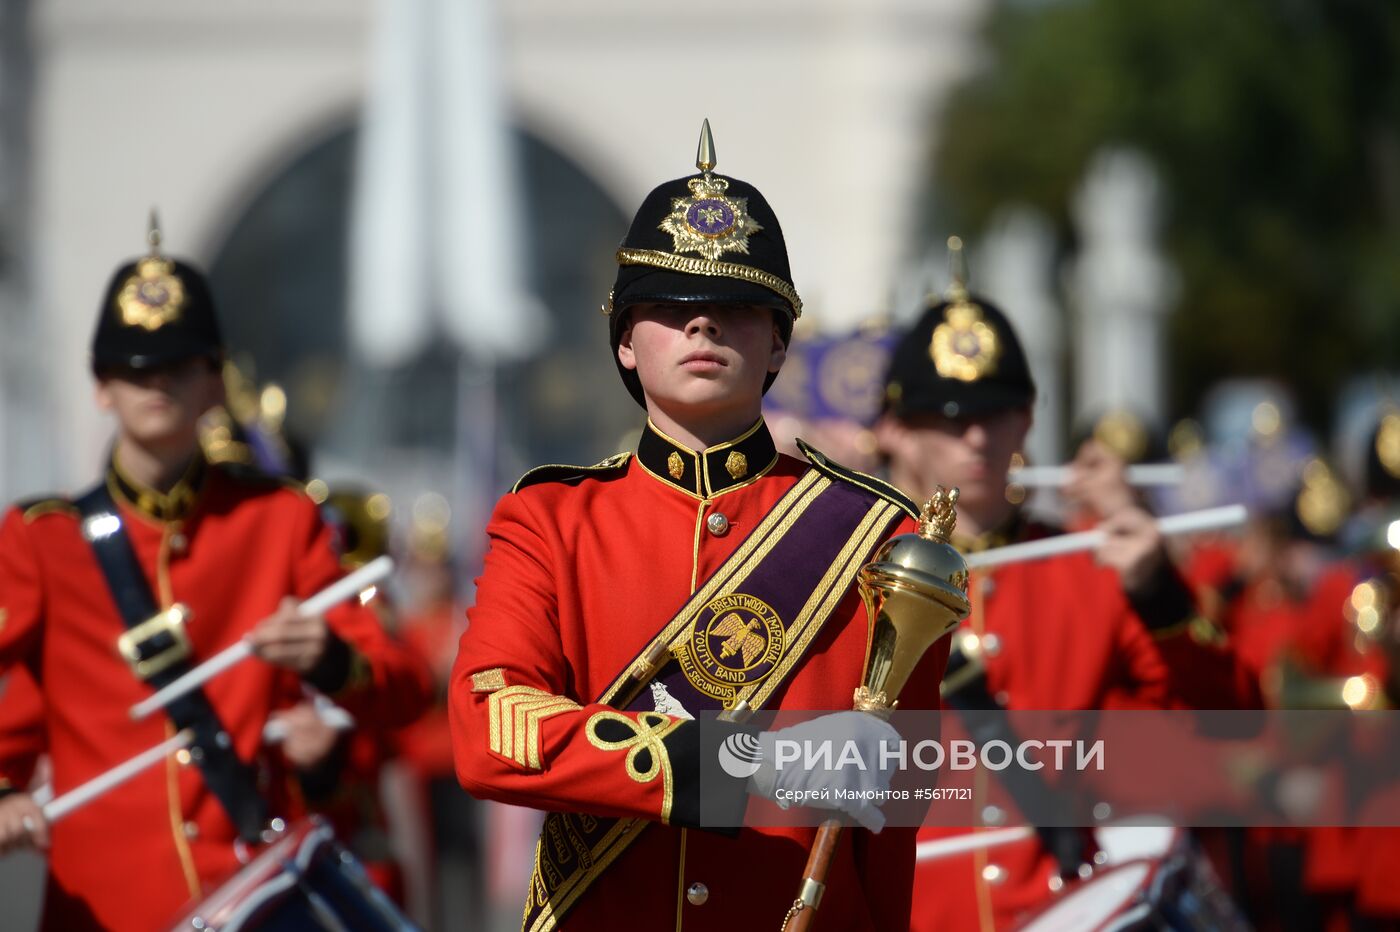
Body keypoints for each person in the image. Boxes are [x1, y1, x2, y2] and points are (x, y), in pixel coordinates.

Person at [448, 122, 951, 931]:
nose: (703, 325)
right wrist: (731, 763)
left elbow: (892, 823)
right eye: (672, 305)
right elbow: (488, 730)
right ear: (624, 340)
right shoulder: (548, 520)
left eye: (736, 307)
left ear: (779, 342)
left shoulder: (877, 535)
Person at [0, 222, 431, 930]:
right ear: (101, 385)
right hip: (107, 911)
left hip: (251, 900)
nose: (157, 383)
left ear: (214, 381)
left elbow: (405, 689)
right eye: (135, 367)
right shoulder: (41, 540)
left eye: (180, 364)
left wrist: (328, 656)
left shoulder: (279, 520)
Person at [873, 251, 1257, 930]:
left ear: (1027, 419)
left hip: (1060, 908)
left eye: (997, 413)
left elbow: (1233, 719)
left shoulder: (1087, 567)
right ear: (896, 430)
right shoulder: (856, 571)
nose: (976, 437)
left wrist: (1159, 590)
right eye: (949, 416)